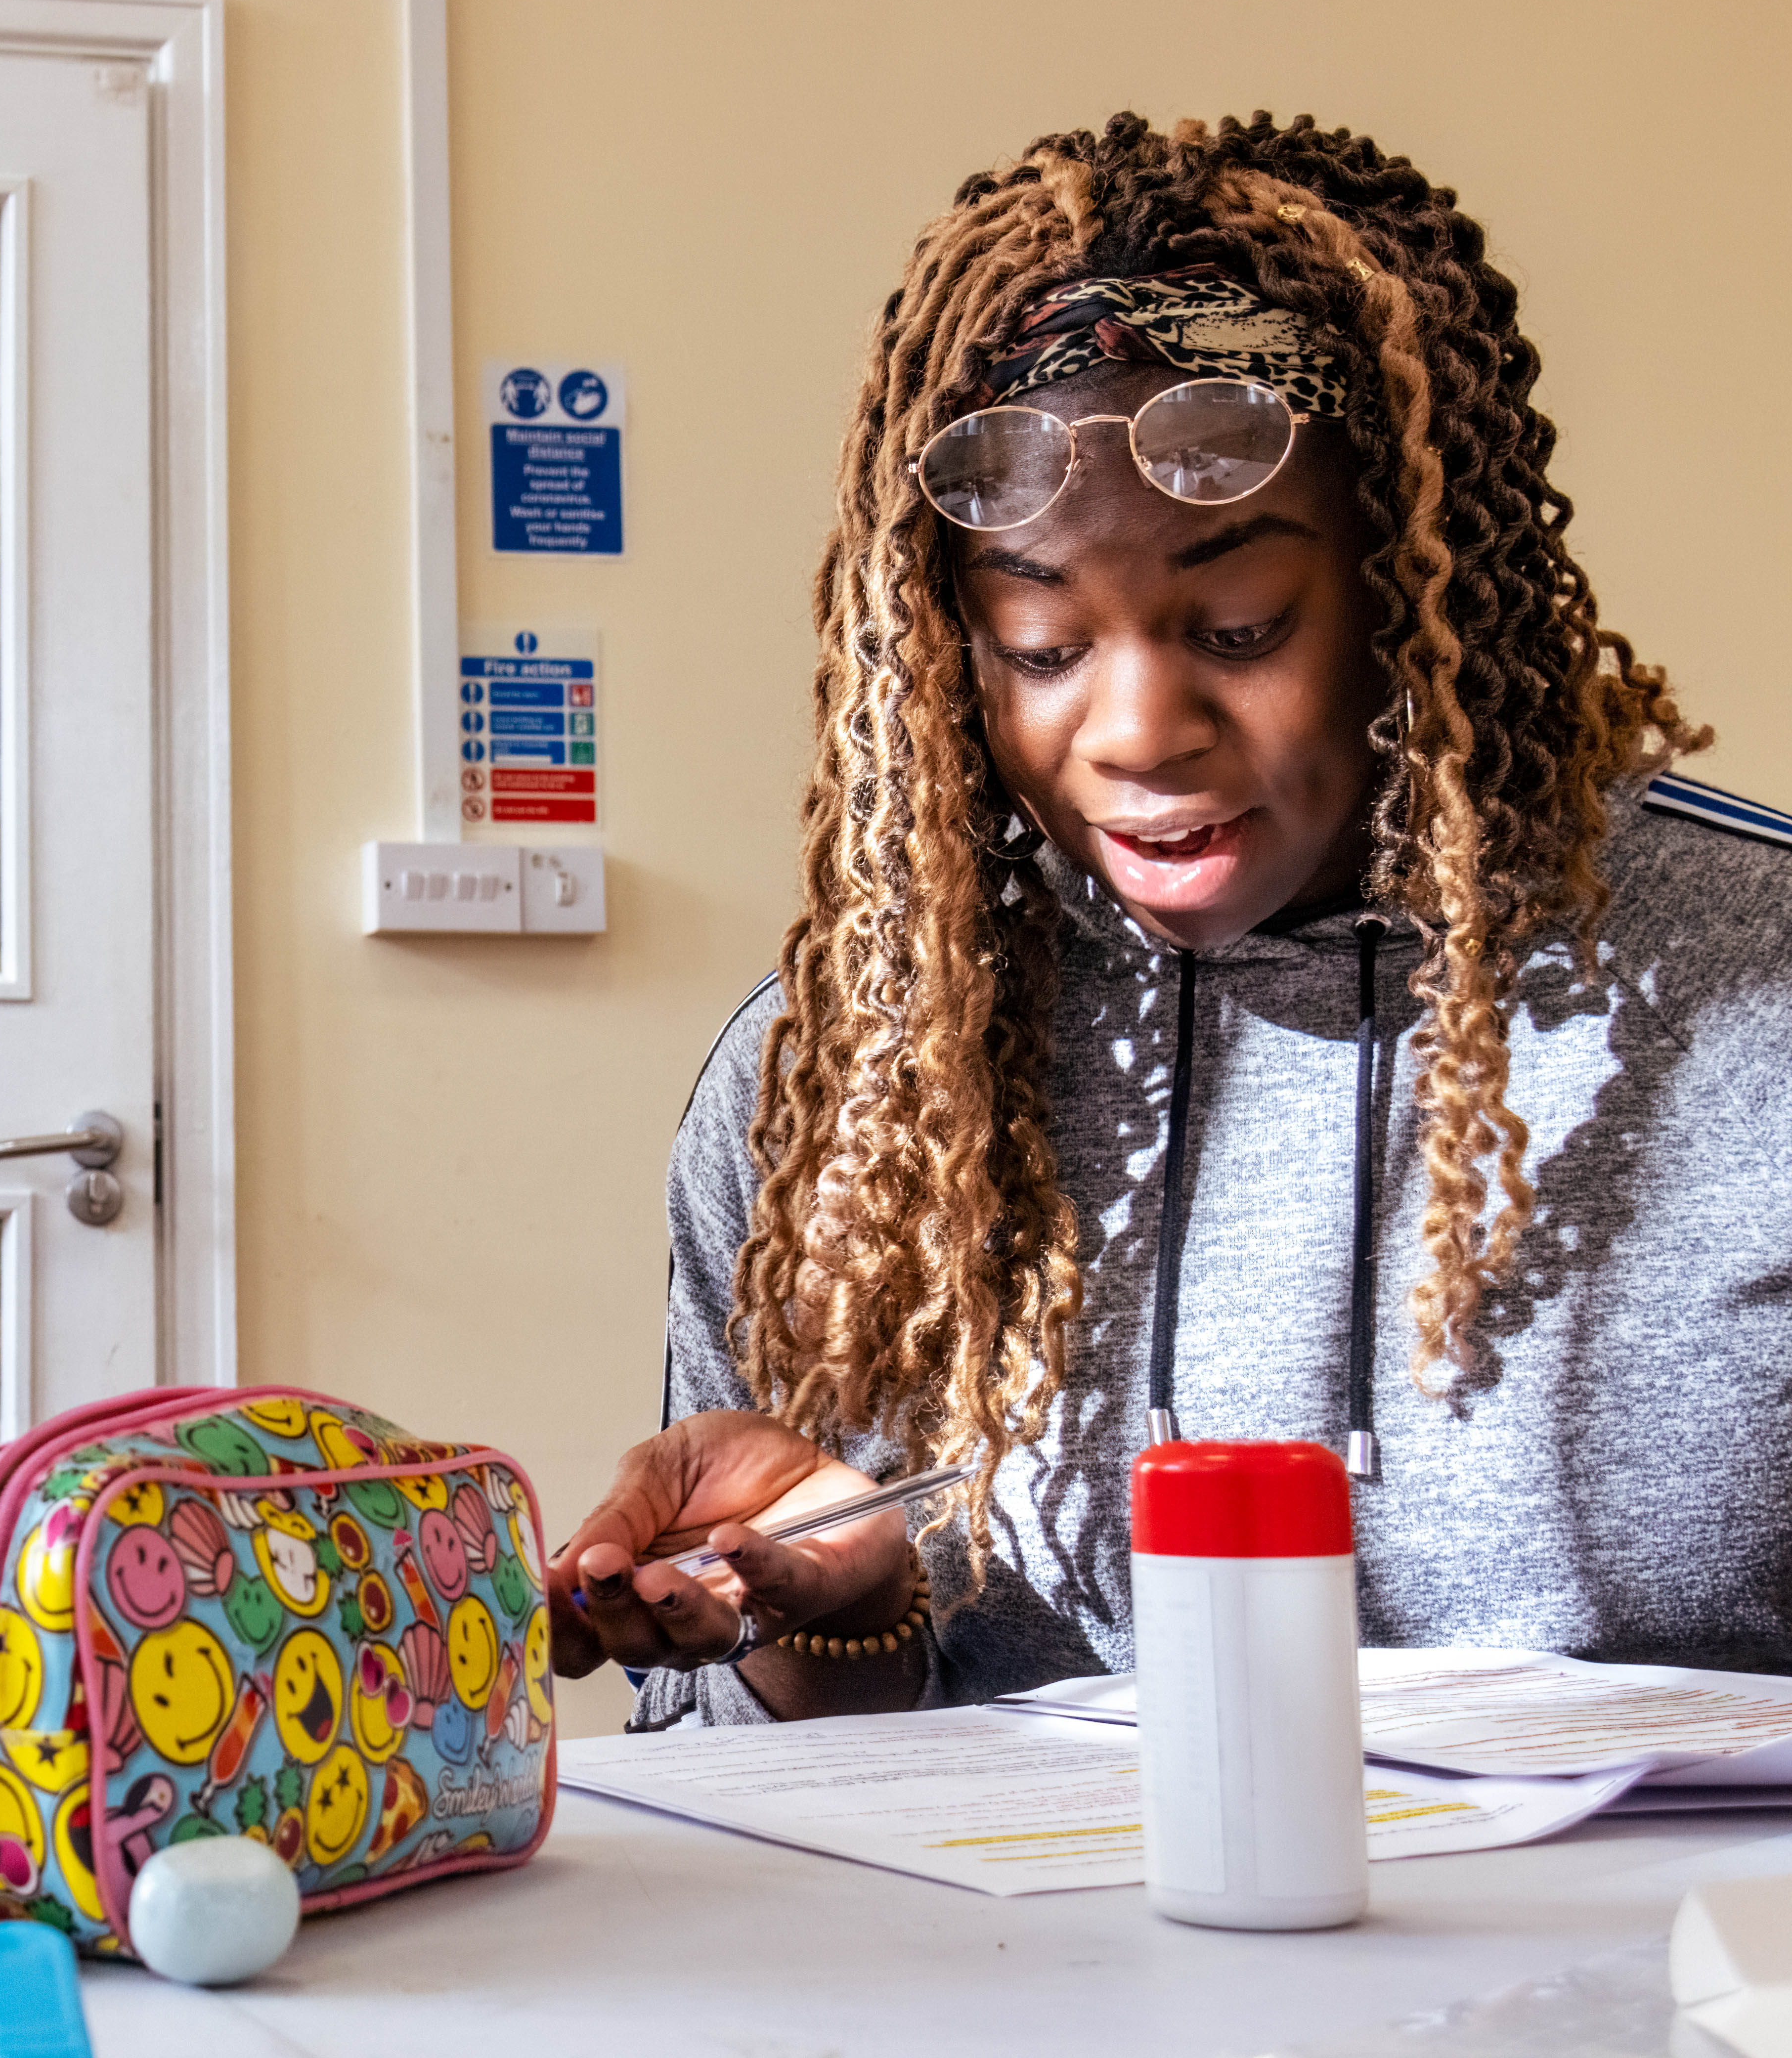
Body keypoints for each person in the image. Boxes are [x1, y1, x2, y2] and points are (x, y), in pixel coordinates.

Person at [545, 111, 1792, 1727]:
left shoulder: (1750, 998)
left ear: (1418, 601)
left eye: (1240, 622)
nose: (1134, 728)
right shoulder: (854, 1077)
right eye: (1044, 646)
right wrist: (810, 1612)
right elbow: (760, 1790)